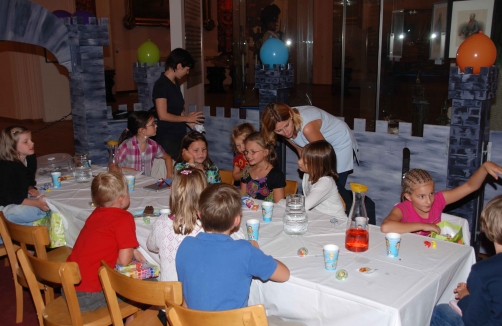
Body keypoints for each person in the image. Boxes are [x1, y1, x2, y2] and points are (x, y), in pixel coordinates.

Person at [176, 183, 290, 311]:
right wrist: (256, 252)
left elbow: (186, 296)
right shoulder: (245, 251)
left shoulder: (186, 245)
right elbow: (284, 274)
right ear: (236, 221)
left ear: (199, 215)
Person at [66, 172, 145, 312]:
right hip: (90, 296)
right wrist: (131, 251)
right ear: (121, 199)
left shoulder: (96, 213)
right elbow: (124, 261)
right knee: (147, 288)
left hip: (68, 287)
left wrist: (132, 249)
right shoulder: (124, 218)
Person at [430, 195, 502, 326]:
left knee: (441, 311)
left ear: (487, 228)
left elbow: (474, 320)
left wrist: (466, 297)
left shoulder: (482, 271)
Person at [381, 162, 502, 235]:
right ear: (408, 196)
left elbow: (470, 186)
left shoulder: (438, 200)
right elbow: (386, 227)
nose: (429, 201)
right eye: (421, 196)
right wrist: (423, 225)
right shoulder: (402, 209)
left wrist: (484, 167)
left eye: (431, 193)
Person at [261, 102, 358, 191]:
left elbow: (323, 155)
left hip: (339, 140)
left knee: (334, 185)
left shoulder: (307, 127)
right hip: (321, 142)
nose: (286, 133)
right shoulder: (284, 126)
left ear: (290, 115)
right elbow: (301, 151)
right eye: (279, 131)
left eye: (287, 125)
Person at [147, 167, 207, 282]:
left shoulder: (161, 222)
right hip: (192, 297)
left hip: (166, 293)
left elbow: (151, 246)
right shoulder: (204, 229)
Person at [152, 48, 205, 158]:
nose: (187, 72)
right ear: (179, 66)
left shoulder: (174, 82)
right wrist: (187, 119)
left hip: (179, 133)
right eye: (187, 69)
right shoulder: (161, 85)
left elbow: (177, 109)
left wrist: (191, 124)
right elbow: (162, 115)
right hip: (167, 136)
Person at [0, 126, 48, 239]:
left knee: (29, 226)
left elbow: (28, 179)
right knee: (40, 210)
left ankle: (25, 250)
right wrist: (37, 204)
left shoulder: (29, 158)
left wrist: (29, 187)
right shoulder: (8, 167)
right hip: (3, 207)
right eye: (26, 141)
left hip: (14, 201)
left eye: (31, 139)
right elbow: (13, 197)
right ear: (12, 147)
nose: (32, 143)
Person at [294, 140, 346, 218]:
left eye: (305, 162)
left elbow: (304, 205)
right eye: (301, 157)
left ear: (319, 166)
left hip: (334, 221)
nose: (299, 162)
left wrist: (287, 203)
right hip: (318, 218)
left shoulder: (325, 182)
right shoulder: (307, 174)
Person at [116, 111, 173, 178]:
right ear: (142, 130)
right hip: (128, 182)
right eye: (153, 124)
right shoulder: (126, 146)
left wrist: (169, 175)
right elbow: (112, 166)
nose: (156, 126)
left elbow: (168, 158)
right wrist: (128, 170)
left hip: (146, 183)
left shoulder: (154, 145)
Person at [240, 132, 285, 203]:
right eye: (246, 151)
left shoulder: (275, 175)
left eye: (253, 152)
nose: (248, 155)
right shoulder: (246, 171)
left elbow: (279, 206)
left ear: (265, 152)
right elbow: (243, 197)